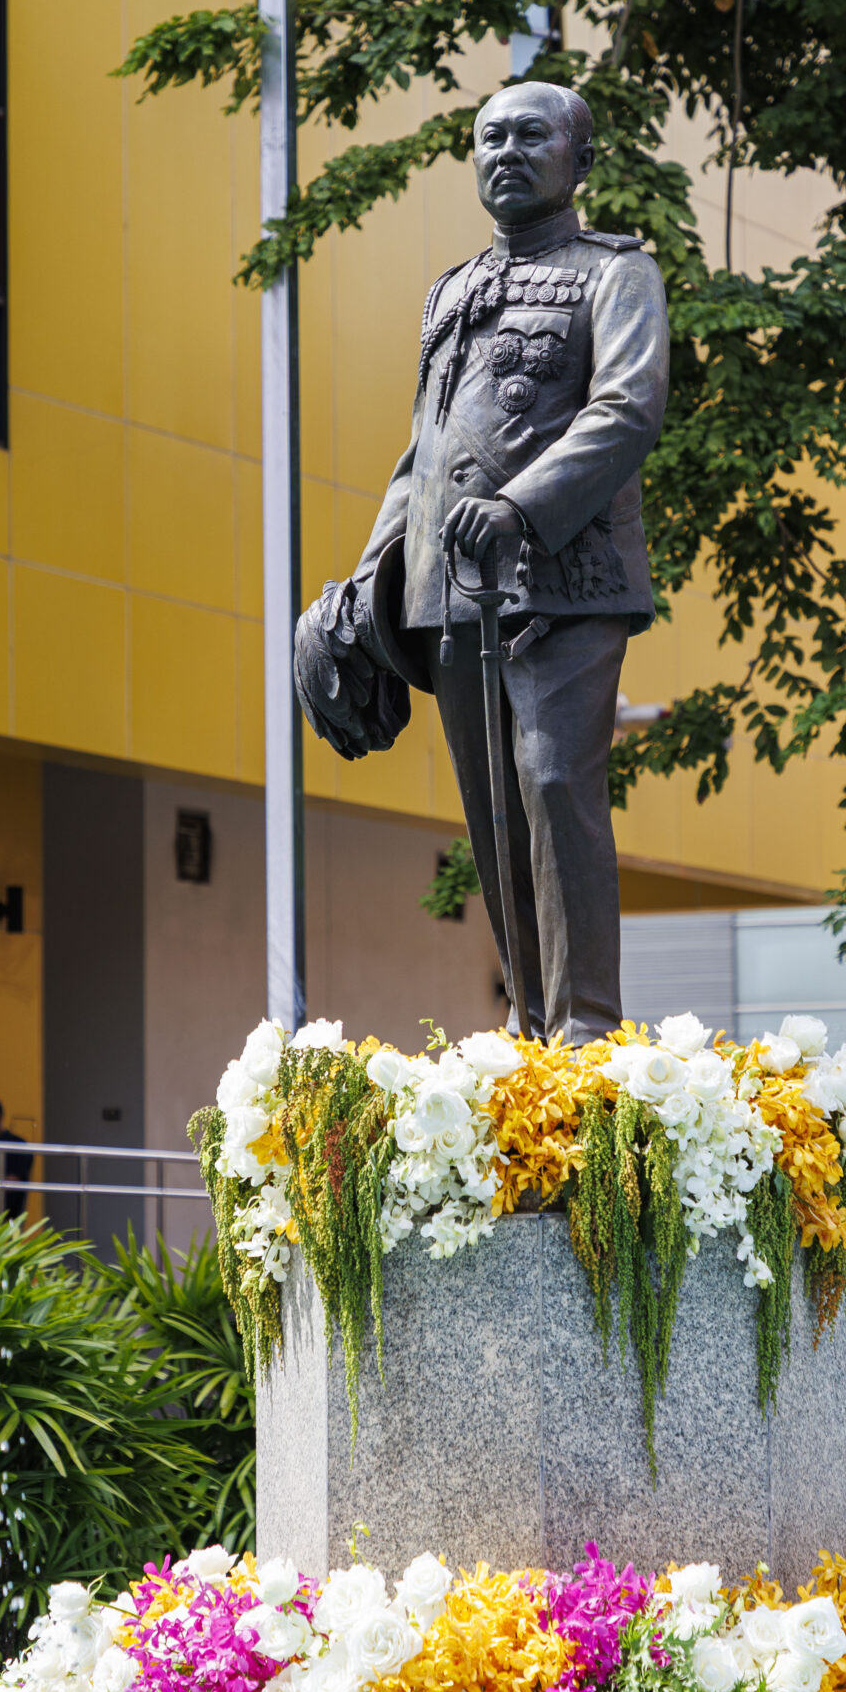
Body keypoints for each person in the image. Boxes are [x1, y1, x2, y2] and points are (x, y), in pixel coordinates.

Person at [294, 80, 669, 1041]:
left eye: (530, 135)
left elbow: (626, 409)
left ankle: (587, 1027)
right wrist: (367, 584)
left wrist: (520, 507)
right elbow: (421, 455)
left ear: (580, 159)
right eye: (490, 137)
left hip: (565, 581)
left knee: (551, 782)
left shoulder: (616, 274)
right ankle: (532, 1026)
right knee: (492, 810)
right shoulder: (451, 290)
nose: (507, 151)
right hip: (450, 591)